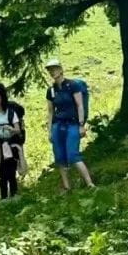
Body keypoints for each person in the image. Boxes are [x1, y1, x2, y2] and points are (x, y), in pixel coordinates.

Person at [45, 58, 95, 192]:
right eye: (50, 70)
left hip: (72, 124)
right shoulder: (51, 90)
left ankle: (90, 184)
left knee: (73, 155)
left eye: (54, 69)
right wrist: (49, 130)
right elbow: (50, 112)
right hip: (57, 125)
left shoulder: (73, 86)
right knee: (59, 157)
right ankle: (67, 187)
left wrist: (81, 125)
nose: (52, 72)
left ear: (61, 69)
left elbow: (80, 106)